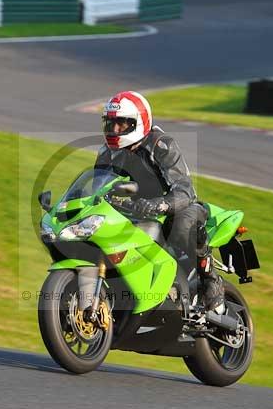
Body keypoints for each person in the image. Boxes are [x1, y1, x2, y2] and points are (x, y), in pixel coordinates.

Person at [94, 90, 225, 316]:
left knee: (183, 224)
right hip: (134, 211)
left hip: (175, 208)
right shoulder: (108, 152)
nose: (115, 130)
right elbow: (97, 187)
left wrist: (159, 204)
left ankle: (210, 279)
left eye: (122, 124)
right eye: (111, 123)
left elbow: (185, 190)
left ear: (138, 122)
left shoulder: (160, 145)